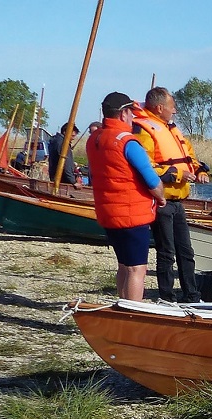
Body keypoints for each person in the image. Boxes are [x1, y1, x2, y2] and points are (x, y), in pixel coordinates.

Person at [131, 86, 210, 303]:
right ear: (159, 108)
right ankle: (166, 296)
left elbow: (190, 156)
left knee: (186, 251)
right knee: (166, 252)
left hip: (178, 202)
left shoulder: (171, 129)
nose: (174, 111)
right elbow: (145, 167)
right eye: (172, 107)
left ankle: (191, 295)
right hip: (162, 200)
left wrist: (200, 170)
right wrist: (177, 175)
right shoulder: (144, 130)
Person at [85, 92, 165, 302]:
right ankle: (133, 313)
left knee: (123, 266)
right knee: (137, 269)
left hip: (108, 213)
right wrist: (162, 198)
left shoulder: (94, 139)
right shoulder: (127, 142)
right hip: (132, 215)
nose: (133, 120)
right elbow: (152, 180)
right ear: (123, 114)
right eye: (131, 114)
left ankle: (123, 307)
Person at [48, 122, 82, 187]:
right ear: (65, 132)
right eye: (72, 136)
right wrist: (73, 182)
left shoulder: (55, 141)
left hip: (55, 177)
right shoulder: (63, 144)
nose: (73, 138)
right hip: (63, 180)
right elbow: (66, 164)